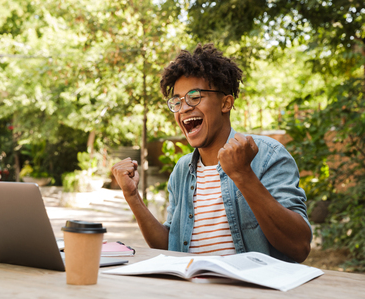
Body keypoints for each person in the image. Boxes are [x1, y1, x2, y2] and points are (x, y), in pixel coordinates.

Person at [111, 43, 311, 263]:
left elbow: (299, 247)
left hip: (251, 294)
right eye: (177, 101)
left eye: (194, 96)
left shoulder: (267, 155)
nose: (184, 108)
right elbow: (170, 245)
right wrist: (132, 197)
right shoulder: (182, 171)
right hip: (193, 293)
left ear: (226, 103)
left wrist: (243, 175)